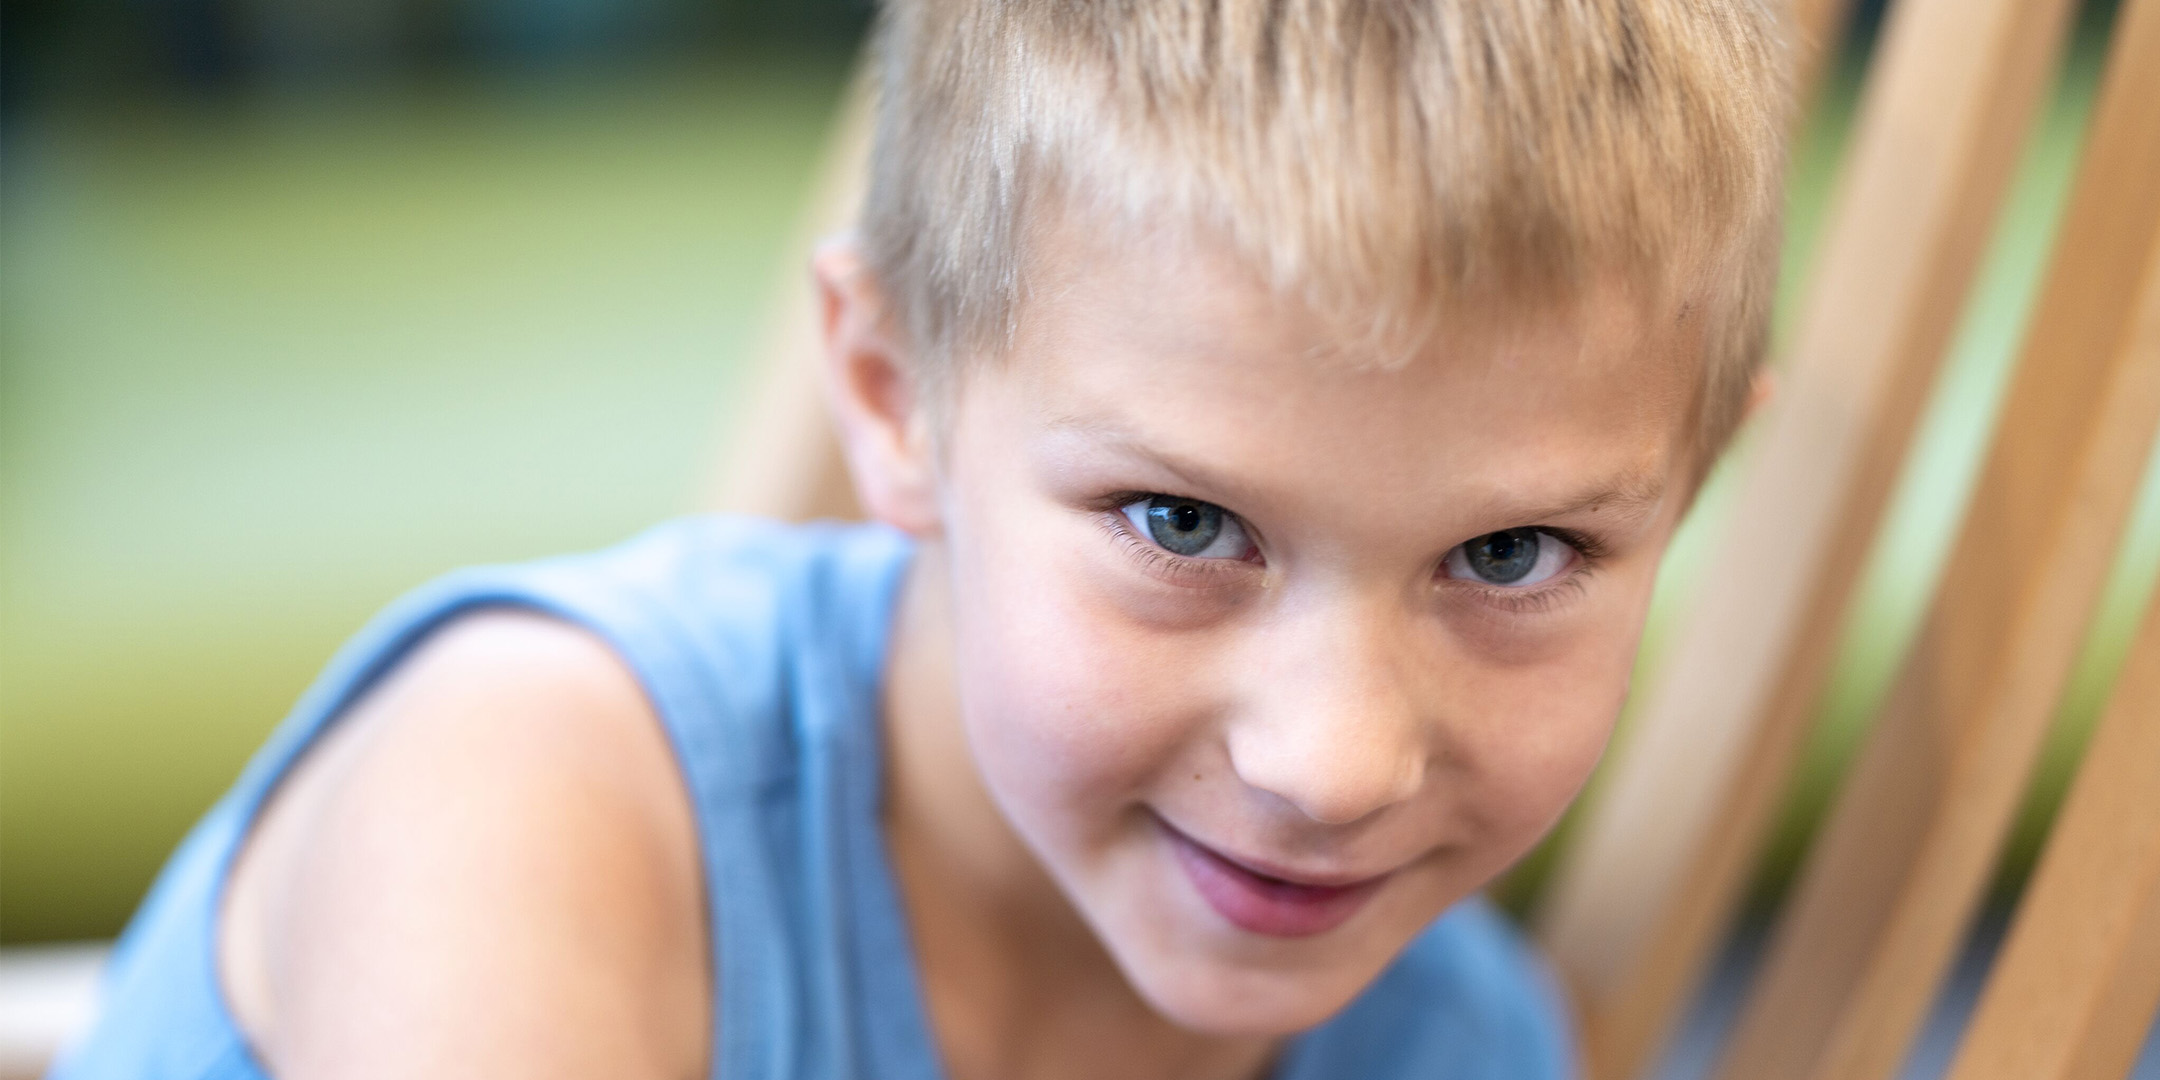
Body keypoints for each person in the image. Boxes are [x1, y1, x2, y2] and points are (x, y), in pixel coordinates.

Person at [55, 2, 1789, 1077]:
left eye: (1510, 558)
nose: (1330, 764)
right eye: (1183, 524)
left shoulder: (1455, 1046)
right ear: (893, 398)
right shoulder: (532, 807)